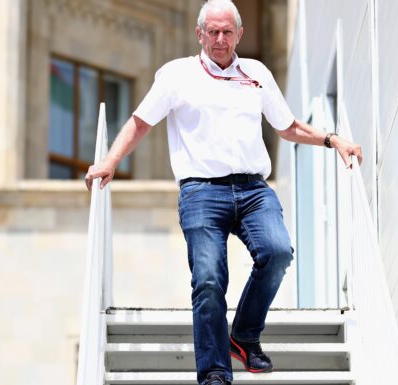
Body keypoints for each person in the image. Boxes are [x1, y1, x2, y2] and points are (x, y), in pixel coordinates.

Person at [85, 1, 362, 384]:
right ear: (199, 34)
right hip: (201, 192)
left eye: (227, 32)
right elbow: (140, 123)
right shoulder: (176, 75)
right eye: (212, 32)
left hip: (253, 190)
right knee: (210, 280)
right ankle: (215, 372)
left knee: (278, 251)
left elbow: (287, 126)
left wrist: (333, 140)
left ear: (239, 34)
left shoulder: (257, 73)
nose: (219, 39)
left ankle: (245, 338)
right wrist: (109, 161)